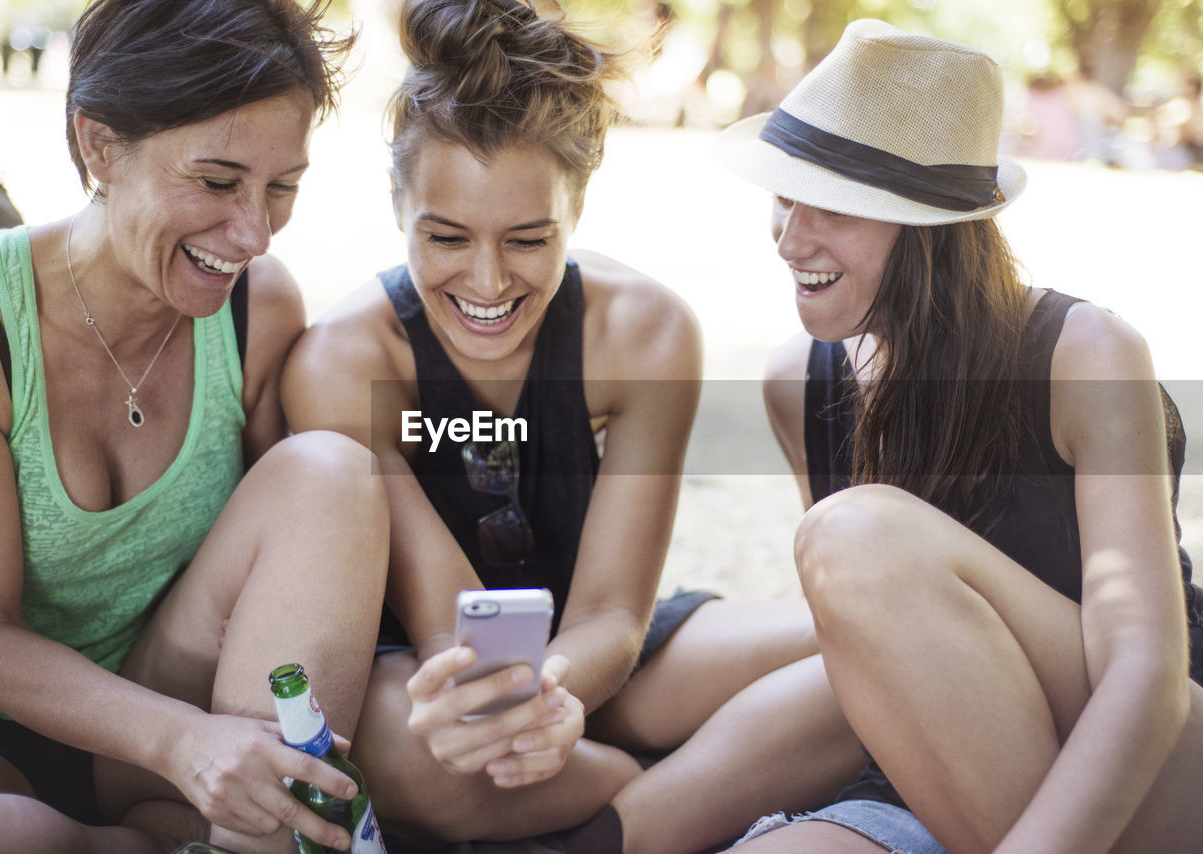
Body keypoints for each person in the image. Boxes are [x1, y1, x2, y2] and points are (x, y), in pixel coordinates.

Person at [281, 1, 863, 852]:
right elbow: (449, 623)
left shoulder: (646, 333)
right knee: (416, 757)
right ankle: (658, 793)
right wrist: (517, 709)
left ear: (577, 209)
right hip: (430, 676)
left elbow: (612, 614)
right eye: (445, 237)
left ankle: (611, 810)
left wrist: (557, 693)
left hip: (599, 660)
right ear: (398, 204)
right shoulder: (343, 361)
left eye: (528, 239)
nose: (487, 280)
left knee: (868, 653)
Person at [712, 19, 1203, 854]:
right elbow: (864, 654)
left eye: (831, 204)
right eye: (785, 195)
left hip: (1142, 767)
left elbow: (1145, 678)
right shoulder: (802, 378)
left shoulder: (1085, 355)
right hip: (927, 777)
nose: (791, 239)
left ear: (930, 227)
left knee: (855, 534)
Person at [0, 2, 388, 852]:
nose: (251, 232)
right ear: (99, 146)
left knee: (327, 471)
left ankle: (251, 836)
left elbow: (294, 555)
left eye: (281, 187)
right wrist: (183, 742)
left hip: (168, 694)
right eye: (216, 182)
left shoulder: (258, 305)